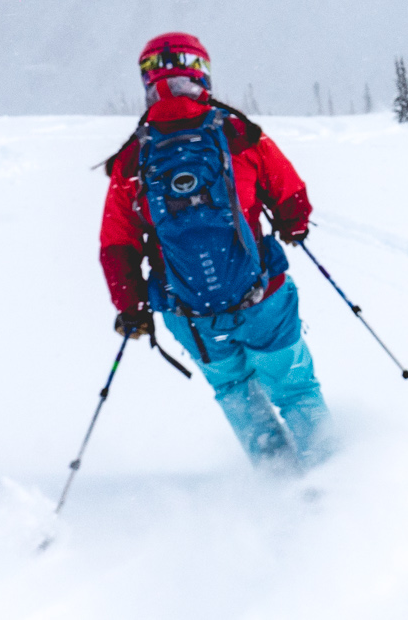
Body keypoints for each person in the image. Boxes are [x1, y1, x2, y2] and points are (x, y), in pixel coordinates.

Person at [99, 32, 333, 472]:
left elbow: (117, 244)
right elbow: (291, 197)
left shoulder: (134, 158)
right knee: (295, 389)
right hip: (263, 295)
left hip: (190, 311)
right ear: (200, 73)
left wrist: (131, 307)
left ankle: (281, 485)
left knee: (235, 391)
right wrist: (293, 225)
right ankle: (337, 481)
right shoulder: (237, 132)